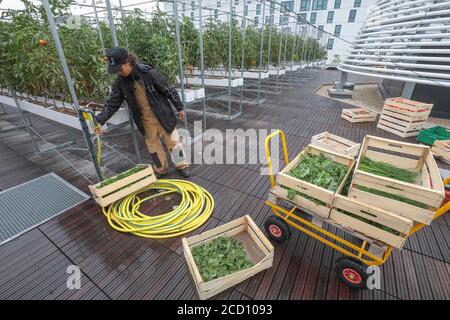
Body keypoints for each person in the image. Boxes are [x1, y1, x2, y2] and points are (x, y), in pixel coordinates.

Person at [95, 47, 191, 178]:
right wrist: (99, 120)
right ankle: (161, 168)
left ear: (128, 62)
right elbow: (112, 104)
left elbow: (168, 89)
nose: (119, 73)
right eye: (116, 71)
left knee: (174, 142)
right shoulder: (120, 83)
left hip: (164, 115)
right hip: (145, 120)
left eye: (120, 69)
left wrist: (179, 107)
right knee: (153, 146)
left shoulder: (149, 73)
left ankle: (182, 165)